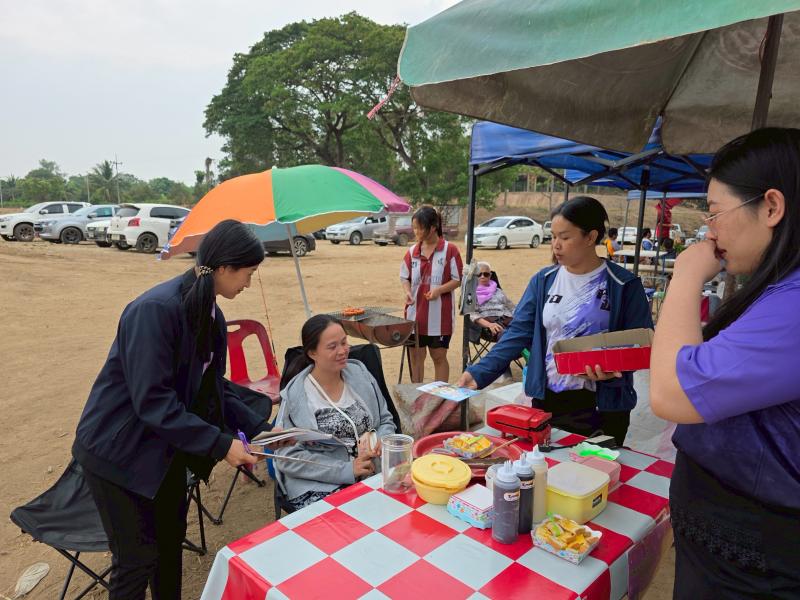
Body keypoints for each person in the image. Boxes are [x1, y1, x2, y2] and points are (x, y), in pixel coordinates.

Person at [72, 220, 279, 599]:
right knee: (136, 559)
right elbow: (153, 401)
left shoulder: (211, 315)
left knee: (169, 544)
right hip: (117, 451)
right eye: (249, 273)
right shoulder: (155, 310)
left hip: (164, 448)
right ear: (224, 268)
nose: (249, 283)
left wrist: (262, 429)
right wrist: (221, 444)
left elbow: (212, 389)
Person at [650, 128, 800, 598]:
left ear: (771, 207)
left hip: (755, 563)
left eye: (715, 213)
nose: (710, 231)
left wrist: (686, 274)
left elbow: (671, 393)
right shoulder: (779, 288)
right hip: (731, 549)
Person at [457, 196, 653, 445]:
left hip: (603, 405)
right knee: (545, 464)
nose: (556, 245)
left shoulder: (623, 285)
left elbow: (641, 344)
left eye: (565, 237)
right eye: (553, 237)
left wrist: (613, 366)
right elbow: (517, 333)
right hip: (547, 401)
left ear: (591, 237)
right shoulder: (544, 281)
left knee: (595, 469)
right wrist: (478, 373)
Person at [274, 314, 397, 510]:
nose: (343, 351)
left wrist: (381, 439)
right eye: (332, 347)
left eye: (344, 342)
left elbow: (385, 419)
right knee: (354, 521)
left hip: (372, 471)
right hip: (321, 484)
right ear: (312, 353)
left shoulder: (360, 374)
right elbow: (287, 458)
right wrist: (347, 469)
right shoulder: (296, 395)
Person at [400, 205, 463, 382]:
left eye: (420, 228)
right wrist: (408, 292)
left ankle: (439, 396)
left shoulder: (450, 250)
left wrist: (439, 290)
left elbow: (457, 279)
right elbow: (404, 277)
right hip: (414, 316)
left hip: (440, 318)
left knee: (439, 357)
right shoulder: (412, 252)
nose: (416, 232)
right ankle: (417, 394)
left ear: (433, 227)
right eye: (414, 228)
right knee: (416, 358)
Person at [470, 261, 516, 339]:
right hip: (488, 325)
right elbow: (472, 314)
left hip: (507, 320)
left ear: (490, 275)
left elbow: (512, 307)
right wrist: (489, 324)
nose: (482, 277)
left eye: (486, 274)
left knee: (526, 330)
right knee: (507, 336)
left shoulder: (498, 291)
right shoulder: (471, 294)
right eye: (479, 274)